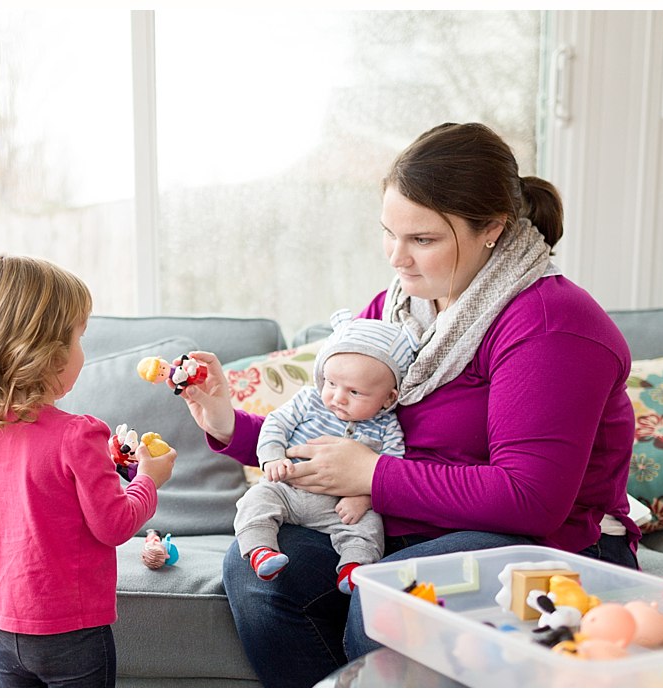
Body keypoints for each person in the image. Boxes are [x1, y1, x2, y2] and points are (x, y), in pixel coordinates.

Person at [179, 122, 638, 686]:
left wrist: (372, 472)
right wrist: (228, 423)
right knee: (261, 575)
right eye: (389, 234)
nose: (397, 258)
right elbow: (332, 426)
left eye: (422, 240)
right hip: (398, 529)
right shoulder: (395, 311)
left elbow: (532, 499)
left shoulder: (549, 324)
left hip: (549, 552)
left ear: (492, 229)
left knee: (388, 596)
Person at [0, 254, 177, 687]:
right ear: (47, 354)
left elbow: (43, 494)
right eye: (78, 339)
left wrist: (108, 468)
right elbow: (113, 525)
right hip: (69, 632)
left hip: (2, 625)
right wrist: (149, 478)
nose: (82, 353)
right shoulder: (78, 434)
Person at [234, 309, 418, 596]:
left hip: (337, 506)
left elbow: (391, 469)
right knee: (256, 500)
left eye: (355, 392)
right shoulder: (309, 400)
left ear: (389, 398)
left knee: (367, 526)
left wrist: (364, 498)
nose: (337, 397)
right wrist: (273, 457)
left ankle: (353, 568)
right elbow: (275, 423)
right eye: (331, 383)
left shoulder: (388, 427)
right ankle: (261, 551)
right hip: (288, 488)